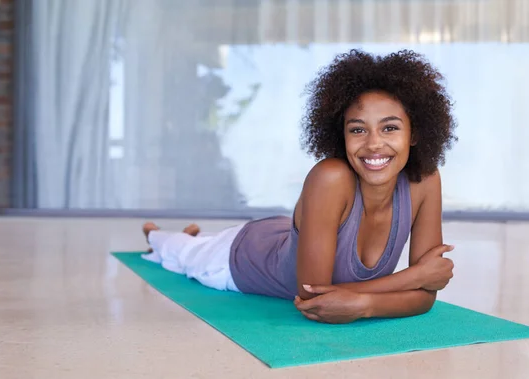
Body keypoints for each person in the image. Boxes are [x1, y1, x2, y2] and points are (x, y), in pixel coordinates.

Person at [141, 49, 458, 324]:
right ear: (341, 136)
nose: (374, 144)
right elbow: (312, 297)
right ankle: (157, 234)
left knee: (199, 244)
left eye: (390, 128)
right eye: (358, 129)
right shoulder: (330, 177)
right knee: (178, 253)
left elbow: (426, 297)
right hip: (239, 256)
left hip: (282, 236)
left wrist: (365, 304)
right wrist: (412, 278)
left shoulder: (425, 179)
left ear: (415, 134)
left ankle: (191, 237)